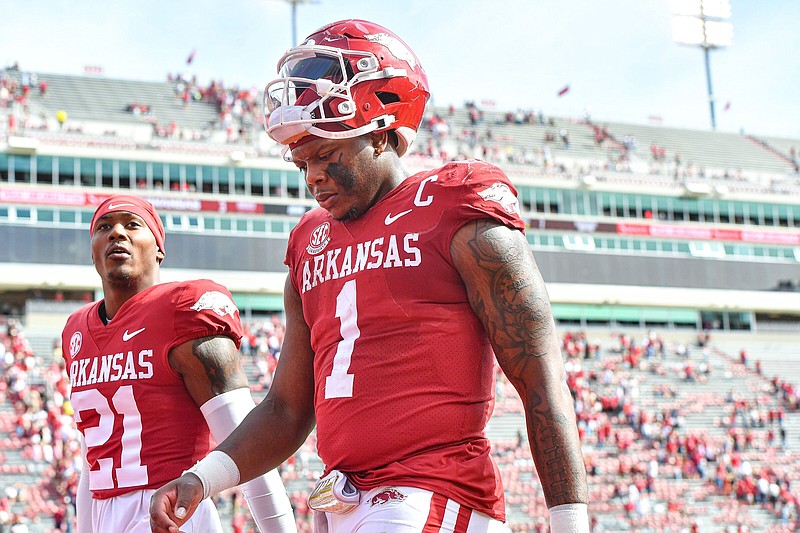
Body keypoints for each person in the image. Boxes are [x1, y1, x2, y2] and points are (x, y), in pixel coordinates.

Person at [150, 19, 589, 533]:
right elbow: (288, 409)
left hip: (431, 493)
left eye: (327, 154)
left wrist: (570, 523)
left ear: (381, 133)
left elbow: (540, 381)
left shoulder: (453, 208)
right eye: (302, 163)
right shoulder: (309, 243)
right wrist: (201, 479)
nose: (313, 176)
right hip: (340, 500)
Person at [61, 194, 295, 533]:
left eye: (132, 224)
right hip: (102, 514)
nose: (116, 233)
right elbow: (90, 464)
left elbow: (249, 444)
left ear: (158, 248)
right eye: (104, 227)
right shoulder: (76, 331)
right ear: (93, 252)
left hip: (171, 509)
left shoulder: (183, 309)